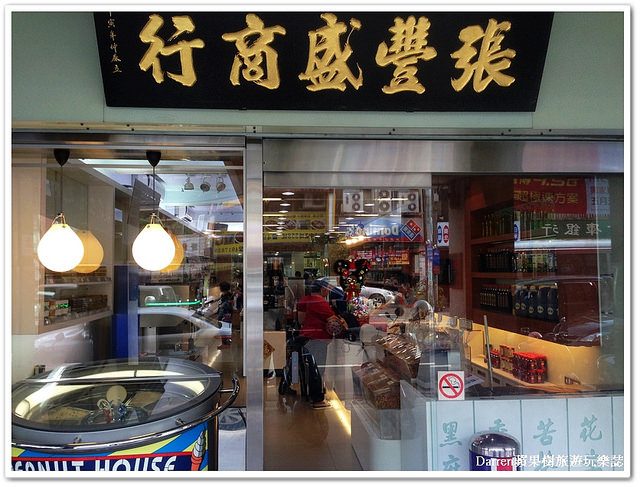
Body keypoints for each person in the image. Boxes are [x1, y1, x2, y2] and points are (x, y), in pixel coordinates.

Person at [295, 279, 346, 409]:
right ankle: (317, 400)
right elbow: (333, 321)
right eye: (327, 289)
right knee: (317, 369)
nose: (328, 291)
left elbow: (301, 320)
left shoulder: (304, 300)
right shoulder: (320, 302)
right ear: (323, 289)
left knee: (311, 368)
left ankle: (312, 395)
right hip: (317, 338)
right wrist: (342, 322)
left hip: (305, 336)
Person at [217, 281, 234, 349]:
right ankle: (225, 343)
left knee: (225, 328)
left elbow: (227, 305)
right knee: (224, 329)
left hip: (225, 314)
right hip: (224, 314)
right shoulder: (225, 295)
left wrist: (222, 306)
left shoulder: (228, 296)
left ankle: (226, 343)